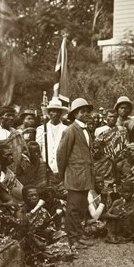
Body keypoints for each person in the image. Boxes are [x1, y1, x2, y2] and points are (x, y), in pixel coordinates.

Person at [56, 98, 96, 251]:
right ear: (75, 114)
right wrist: (63, 174)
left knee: (81, 207)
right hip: (75, 175)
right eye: (82, 111)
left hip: (85, 175)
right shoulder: (70, 130)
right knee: (73, 208)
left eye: (87, 111)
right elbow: (61, 154)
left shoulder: (86, 130)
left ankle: (79, 234)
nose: (86, 114)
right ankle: (72, 238)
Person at [93, 110, 130, 184]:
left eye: (114, 117)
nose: (112, 119)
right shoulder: (99, 130)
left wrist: (118, 159)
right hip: (105, 162)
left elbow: (126, 146)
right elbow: (97, 147)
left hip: (120, 160)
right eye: (110, 116)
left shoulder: (122, 130)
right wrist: (107, 158)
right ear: (105, 117)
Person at [36, 98, 68, 176]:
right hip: (45, 169)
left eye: (58, 111)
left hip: (62, 169)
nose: (55, 114)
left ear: (61, 113)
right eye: (53, 111)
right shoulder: (41, 129)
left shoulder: (66, 129)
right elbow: (38, 150)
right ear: (49, 113)